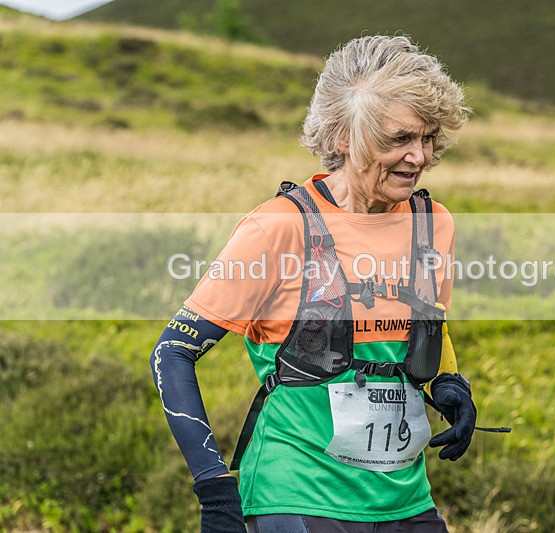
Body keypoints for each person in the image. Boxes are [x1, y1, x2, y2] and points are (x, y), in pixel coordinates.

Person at [150, 34, 475, 533]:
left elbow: (432, 325)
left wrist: (450, 384)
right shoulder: (278, 228)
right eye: (399, 139)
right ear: (344, 135)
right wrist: (215, 488)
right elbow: (172, 351)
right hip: (296, 494)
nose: (420, 157)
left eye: (428, 138)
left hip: (405, 502)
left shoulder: (434, 224)